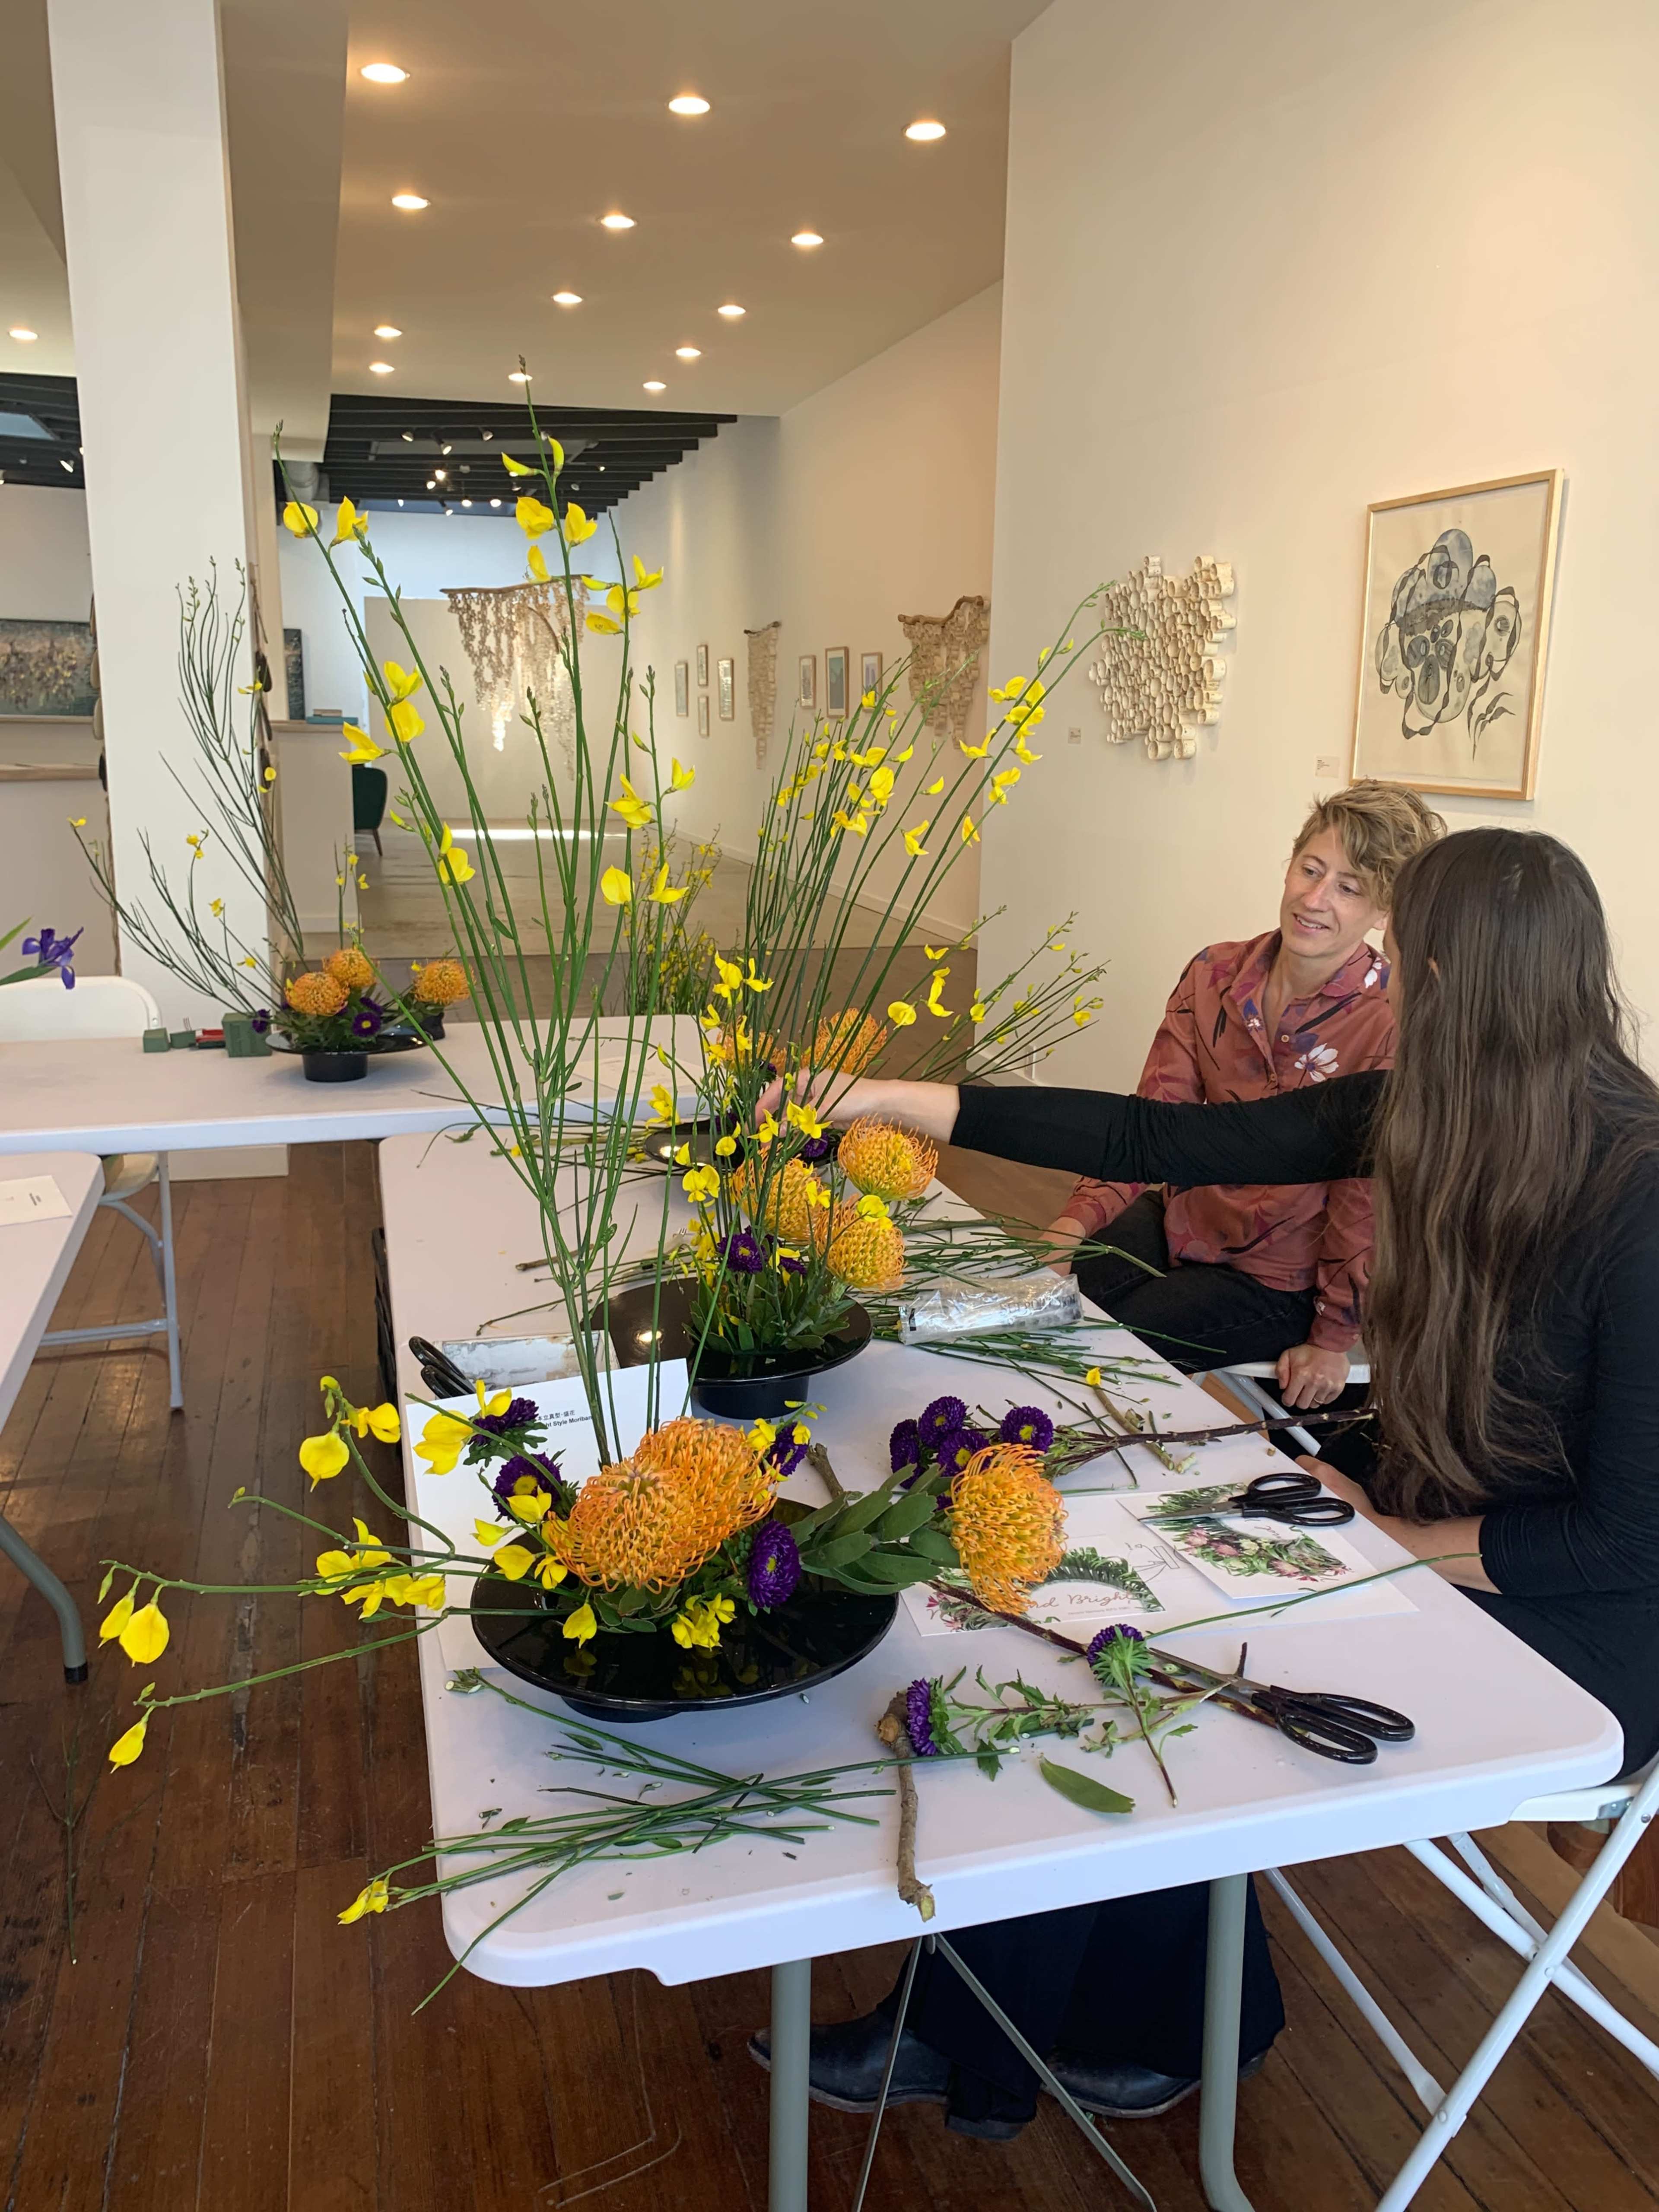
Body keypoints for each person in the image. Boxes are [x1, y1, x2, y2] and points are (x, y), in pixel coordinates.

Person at [750, 827, 1659, 2140]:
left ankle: (1001, 2035)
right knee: (1123, 1590)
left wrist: (1393, 1539)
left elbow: (1634, 1529)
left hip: (1584, 1621)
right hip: (1438, 1504)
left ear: (1466, 982)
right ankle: (1171, 2019)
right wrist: (891, 1097)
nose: (1383, 972)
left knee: (1170, 1670)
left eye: (1407, 955)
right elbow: (1157, 1137)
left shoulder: (1635, 1191)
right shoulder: (1438, 1103)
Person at [1048, 782, 1443, 1407]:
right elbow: (1150, 1124)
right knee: (1042, 1313)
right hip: (1185, 1219)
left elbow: (1365, 1199)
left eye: (1349, 887)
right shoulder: (1214, 973)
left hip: (1283, 1280)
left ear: (1385, 909)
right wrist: (1072, 1226)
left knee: (1105, 1358)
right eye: (1310, 870)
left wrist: (1334, 1335)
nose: (1315, 899)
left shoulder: (1392, 1018)